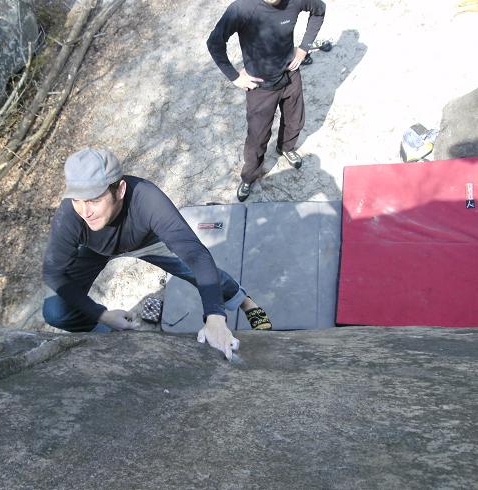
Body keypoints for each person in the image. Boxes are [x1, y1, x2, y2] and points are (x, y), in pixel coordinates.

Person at [42, 148, 272, 360]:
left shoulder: (147, 199)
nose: (85, 211)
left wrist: (215, 315)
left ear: (120, 190)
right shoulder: (71, 214)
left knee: (193, 269)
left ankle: (244, 301)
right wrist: (101, 314)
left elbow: (196, 255)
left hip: (145, 241)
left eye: (94, 200)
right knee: (55, 313)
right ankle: (109, 333)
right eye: (77, 200)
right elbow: (53, 273)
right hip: (95, 250)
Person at [207, 0, 326, 202]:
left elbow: (319, 10)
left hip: (290, 74)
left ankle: (286, 148)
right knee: (257, 138)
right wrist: (235, 77)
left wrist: (303, 48)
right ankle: (250, 176)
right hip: (260, 87)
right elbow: (214, 43)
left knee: (295, 121)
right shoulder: (242, 8)